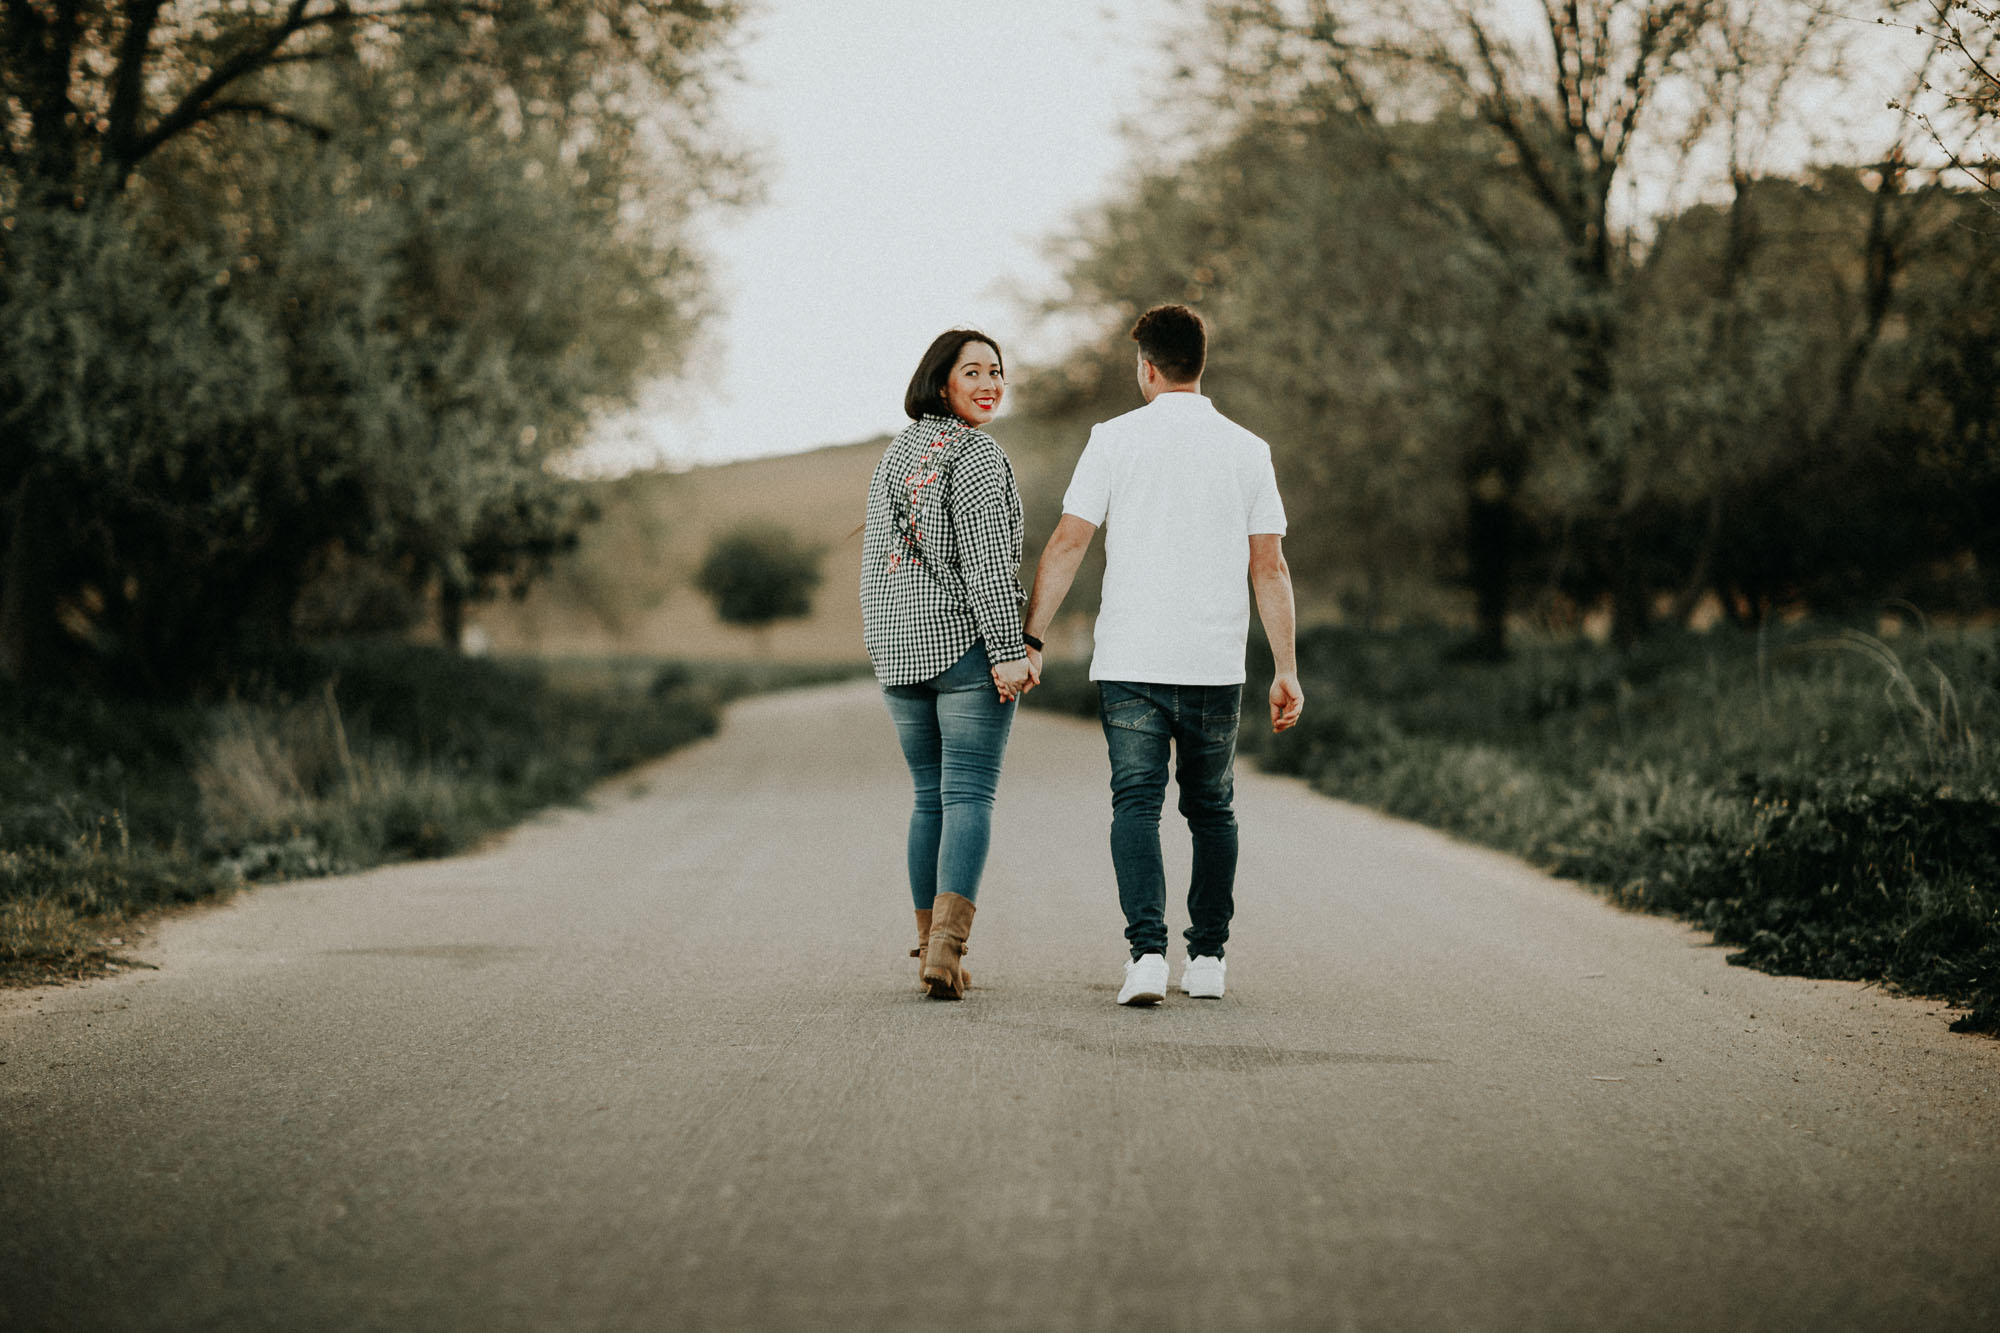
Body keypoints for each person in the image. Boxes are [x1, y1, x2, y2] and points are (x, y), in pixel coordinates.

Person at [1020, 304, 1303, 1006]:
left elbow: (1067, 543)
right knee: (1212, 811)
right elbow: (1269, 566)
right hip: (1214, 663)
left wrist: (1030, 639)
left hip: (1131, 662)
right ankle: (1207, 958)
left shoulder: (1113, 439)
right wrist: (1286, 666)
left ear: (1145, 366)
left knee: (1136, 804)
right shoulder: (1248, 448)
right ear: (1199, 363)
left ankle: (1146, 957)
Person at [861, 329, 1038, 1000]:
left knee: (928, 797)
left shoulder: (894, 455)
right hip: (963, 647)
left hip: (898, 650)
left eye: (997, 370)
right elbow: (988, 565)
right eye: (974, 372)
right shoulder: (976, 454)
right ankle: (947, 949)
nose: (991, 383)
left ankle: (933, 951)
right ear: (943, 383)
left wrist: (882, 637)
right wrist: (1008, 651)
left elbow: (876, 561)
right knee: (967, 793)